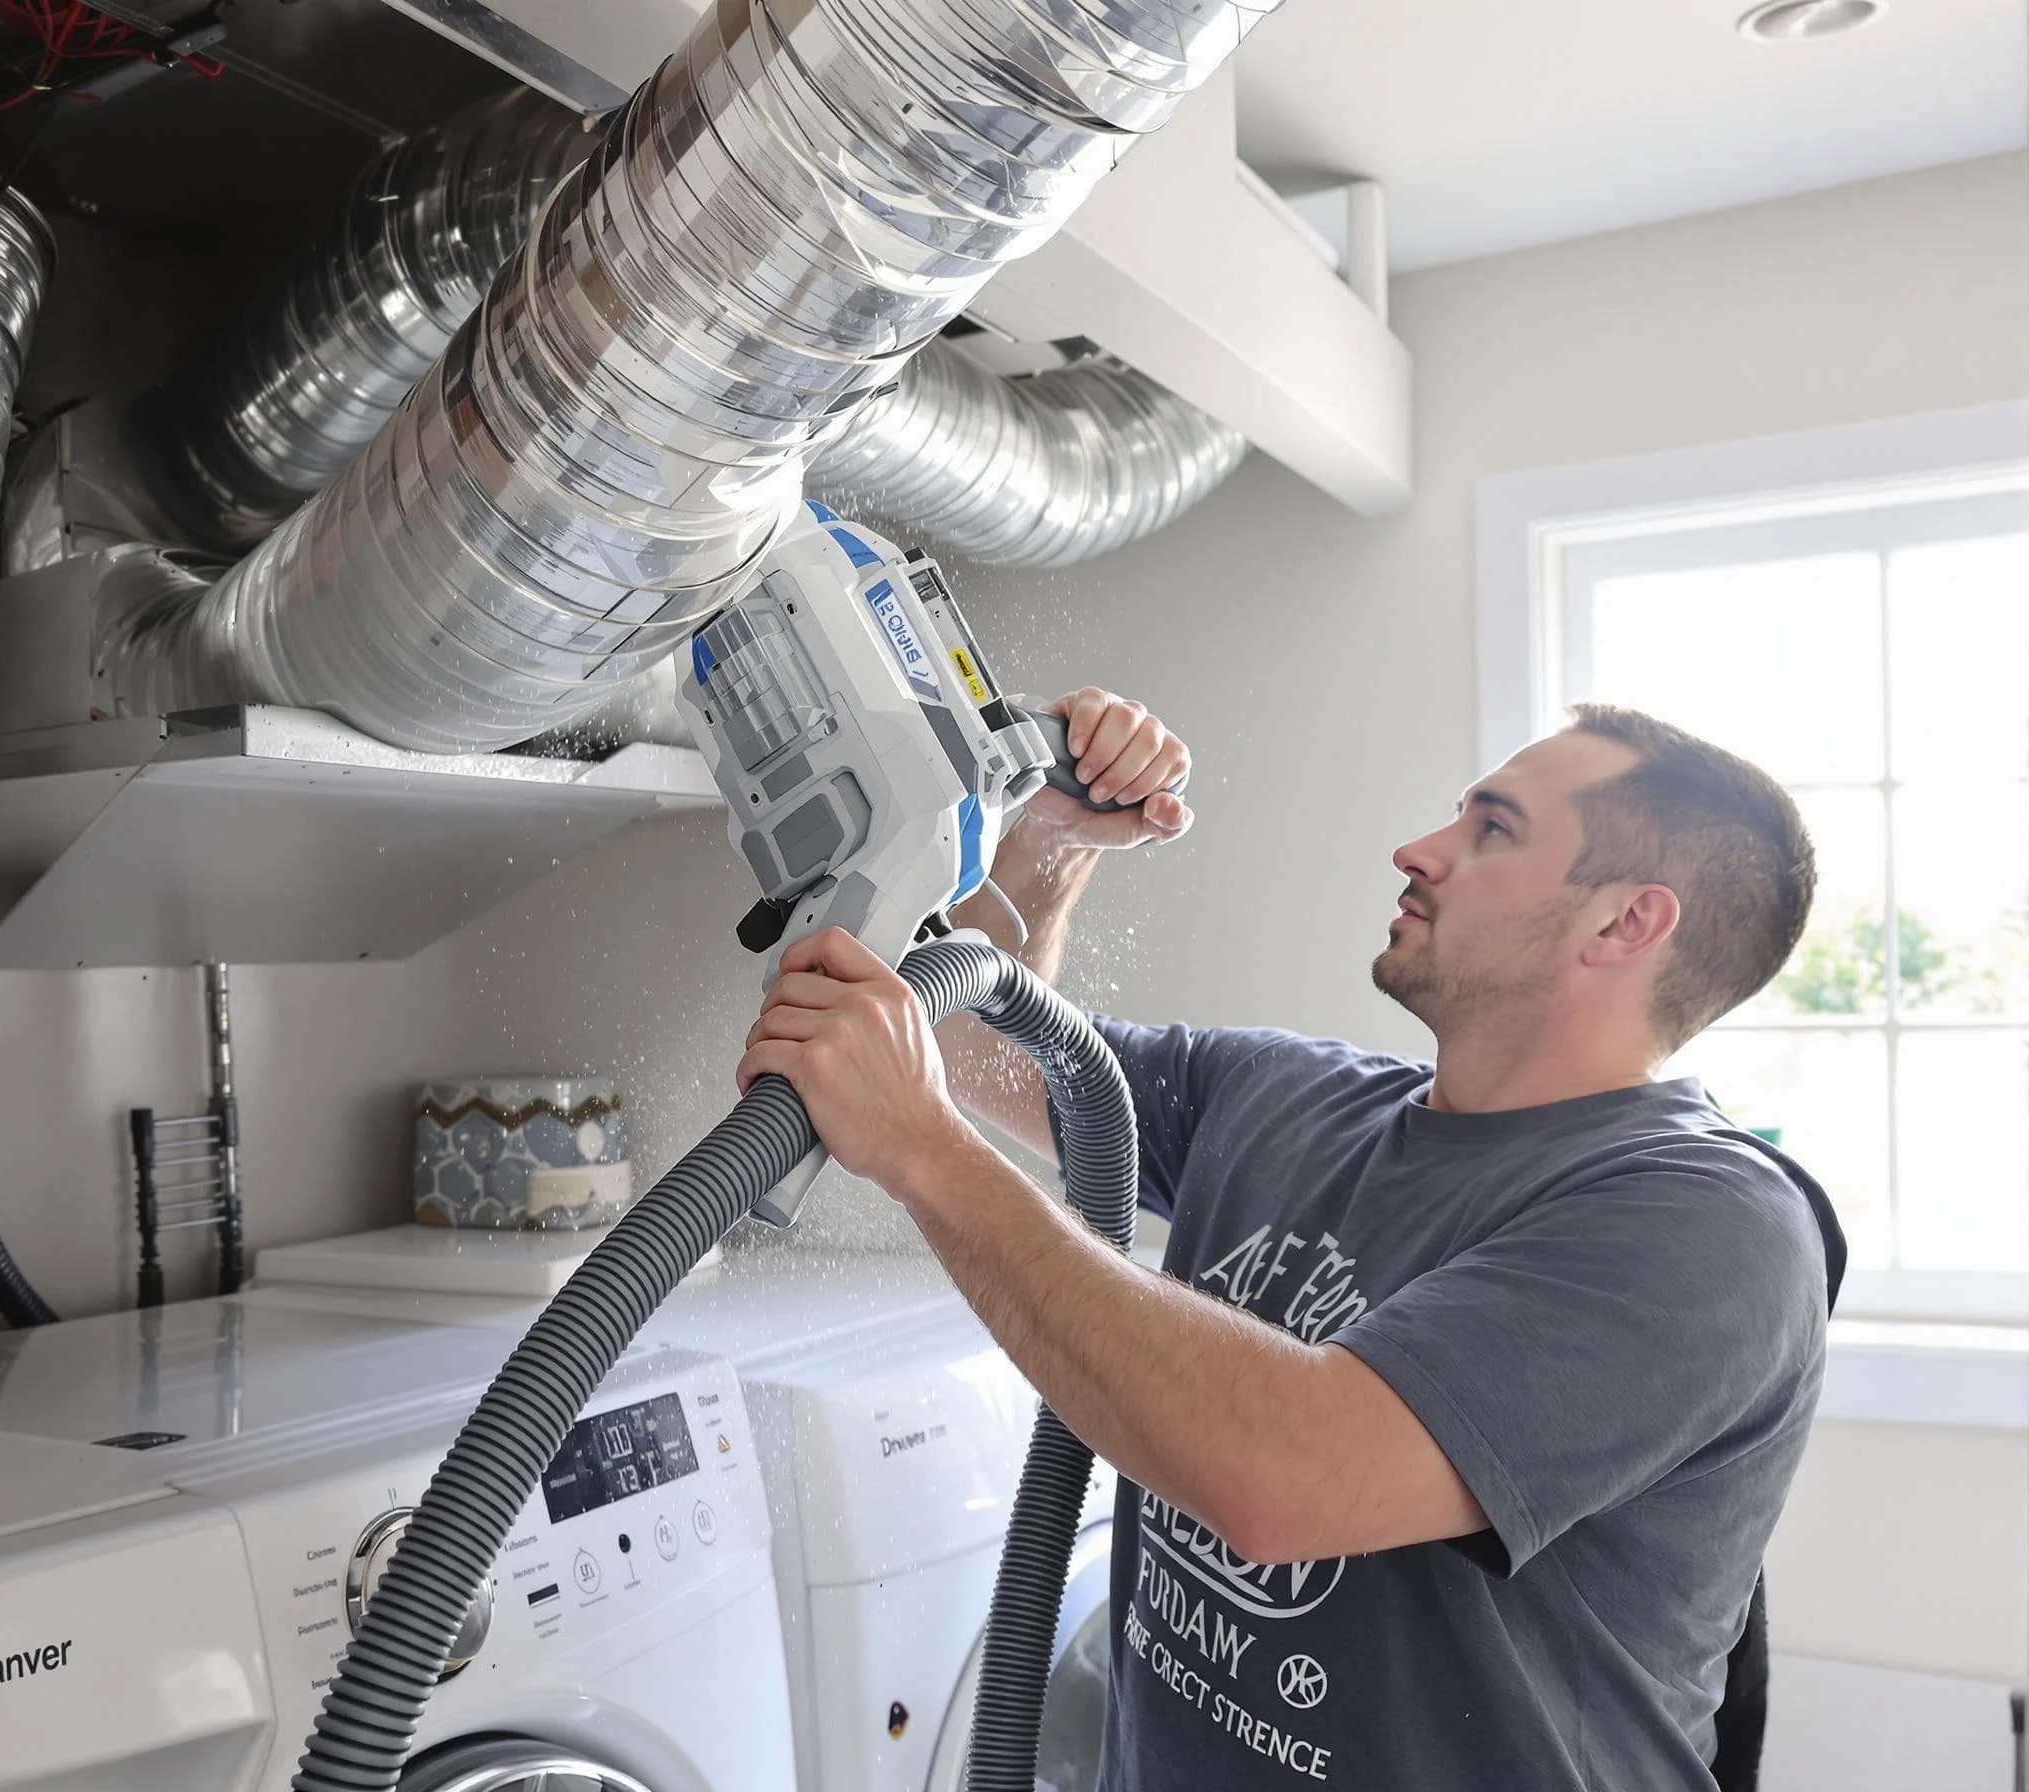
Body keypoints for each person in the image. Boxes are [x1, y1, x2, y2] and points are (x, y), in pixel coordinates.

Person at [734, 690, 1840, 1791]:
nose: (1418, 848)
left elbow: (1287, 1484)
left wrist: (924, 1153)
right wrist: (1051, 845)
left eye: (1491, 828)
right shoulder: (1284, 1093)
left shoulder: (1707, 1224)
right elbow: (973, 1037)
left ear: (1626, 924)